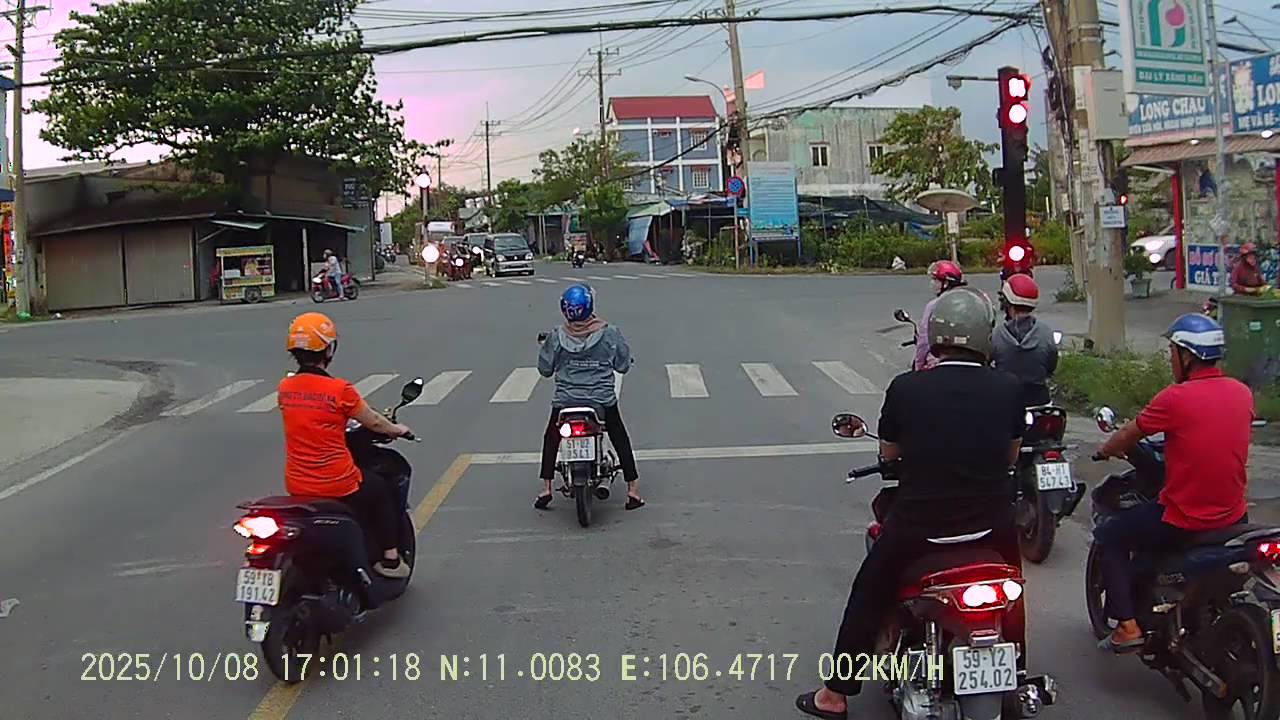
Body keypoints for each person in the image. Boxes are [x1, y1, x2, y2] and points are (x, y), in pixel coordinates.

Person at [797, 288, 1026, 720]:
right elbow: (1010, 456)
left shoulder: (907, 388)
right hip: (991, 526)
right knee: (1014, 590)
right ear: (985, 336)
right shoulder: (1009, 388)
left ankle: (836, 693)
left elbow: (888, 453)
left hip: (920, 529)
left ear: (935, 335)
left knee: (869, 590)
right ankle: (1018, 669)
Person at [1093, 313, 1253, 652]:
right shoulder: (1242, 393)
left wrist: (1105, 450)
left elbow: (1130, 433)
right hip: (1235, 516)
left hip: (1186, 517)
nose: (1170, 359)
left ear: (1188, 356)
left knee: (1109, 535)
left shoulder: (1175, 399)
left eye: (1172, 352)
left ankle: (1127, 627)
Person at [278, 312, 414, 579]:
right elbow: (374, 422)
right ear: (329, 349)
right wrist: (398, 429)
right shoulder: (339, 390)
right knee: (380, 490)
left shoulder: (285, 387)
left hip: (297, 483)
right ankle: (390, 558)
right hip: (337, 482)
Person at [535, 284, 643, 510]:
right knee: (619, 435)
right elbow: (622, 365)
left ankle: (546, 487)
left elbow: (545, 370)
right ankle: (632, 490)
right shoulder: (609, 333)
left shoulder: (556, 336)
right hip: (601, 400)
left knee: (552, 436)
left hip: (566, 401)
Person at [992, 274, 1059, 407]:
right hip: (1039, 399)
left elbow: (988, 363)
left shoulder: (997, 334)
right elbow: (1051, 364)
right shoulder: (1045, 332)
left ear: (1007, 304)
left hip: (1006, 398)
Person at [912, 260, 965, 371]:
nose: (932, 283)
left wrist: (918, 365)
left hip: (937, 362)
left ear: (945, 283)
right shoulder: (967, 301)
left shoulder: (934, 305)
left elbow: (924, 340)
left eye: (935, 279)